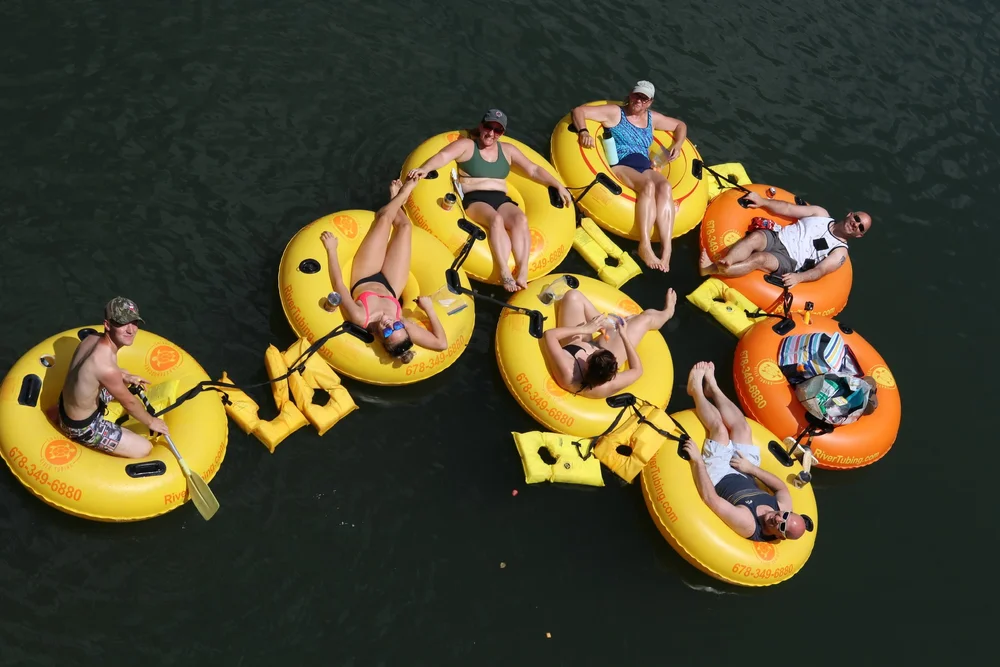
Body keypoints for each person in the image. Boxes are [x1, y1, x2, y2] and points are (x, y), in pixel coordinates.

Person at [406, 109, 573, 292]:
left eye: (497, 130)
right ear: (481, 126)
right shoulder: (468, 146)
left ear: (502, 133)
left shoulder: (507, 150)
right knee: (496, 220)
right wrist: (424, 168)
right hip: (475, 199)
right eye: (488, 127)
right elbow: (443, 156)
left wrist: (558, 185)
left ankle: (523, 270)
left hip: (501, 198)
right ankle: (504, 272)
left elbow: (533, 170)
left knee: (520, 219)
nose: (491, 133)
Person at [321, 177, 448, 363]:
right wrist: (429, 309)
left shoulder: (360, 316)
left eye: (388, 331)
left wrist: (332, 250)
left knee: (384, 218)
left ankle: (402, 195)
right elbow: (441, 344)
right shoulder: (401, 323)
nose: (391, 324)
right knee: (405, 227)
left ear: (381, 338)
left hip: (365, 276)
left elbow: (338, 284)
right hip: (391, 286)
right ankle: (395, 196)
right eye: (396, 326)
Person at [680, 361, 806, 542]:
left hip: (719, 475)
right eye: (785, 516)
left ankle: (696, 391)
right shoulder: (782, 508)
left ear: (780, 536)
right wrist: (751, 469)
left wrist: (698, 461)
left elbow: (711, 499)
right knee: (743, 429)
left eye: (782, 526)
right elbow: (781, 487)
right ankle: (713, 388)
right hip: (745, 473)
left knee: (720, 430)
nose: (779, 518)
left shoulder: (748, 523)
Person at [571, 81, 688, 272]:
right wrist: (583, 131)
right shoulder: (616, 113)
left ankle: (667, 250)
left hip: (644, 165)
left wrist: (678, 144)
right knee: (648, 186)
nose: (639, 101)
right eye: (636, 96)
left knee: (665, 186)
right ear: (630, 94)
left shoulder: (652, 119)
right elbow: (579, 111)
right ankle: (644, 245)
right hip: (621, 165)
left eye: (644, 98)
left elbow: (680, 125)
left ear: (650, 102)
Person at [57, 297, 169, 459]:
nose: (131, 330)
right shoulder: (105, 366)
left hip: (66, 406)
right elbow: (129, 403)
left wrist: (125, 376)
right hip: (81, 426)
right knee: (144, 448)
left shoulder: (91, 339)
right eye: (122, 323)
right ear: (107, 325)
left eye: (134, 322)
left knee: (122, 374)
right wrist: (151, 422)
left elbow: (97, 373)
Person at [699, 192, 872, 287]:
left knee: (759, 259)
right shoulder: (821, 213)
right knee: (756, 237)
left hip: (789, 260)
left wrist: (800, 278)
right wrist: (762, 201)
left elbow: (820, 271)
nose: (856, 224)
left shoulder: (840, 252)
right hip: (779, 236)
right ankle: (727, 261)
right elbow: (788, 209)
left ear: (859, 235)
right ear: (850, 214)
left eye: (861, 227)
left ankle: (709, 270)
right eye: (857, 219)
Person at [541, 287, 676, 399]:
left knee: (573, 296)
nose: (593, 349)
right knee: (645, 318)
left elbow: (550, 335)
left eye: (594, 352)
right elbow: (637, 370)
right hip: (588, 344)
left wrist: (585, 329)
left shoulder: (568, 368)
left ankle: (608, 325)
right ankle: (668, 313)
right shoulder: (607, 381)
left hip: (575, 343)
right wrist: (624, 337)